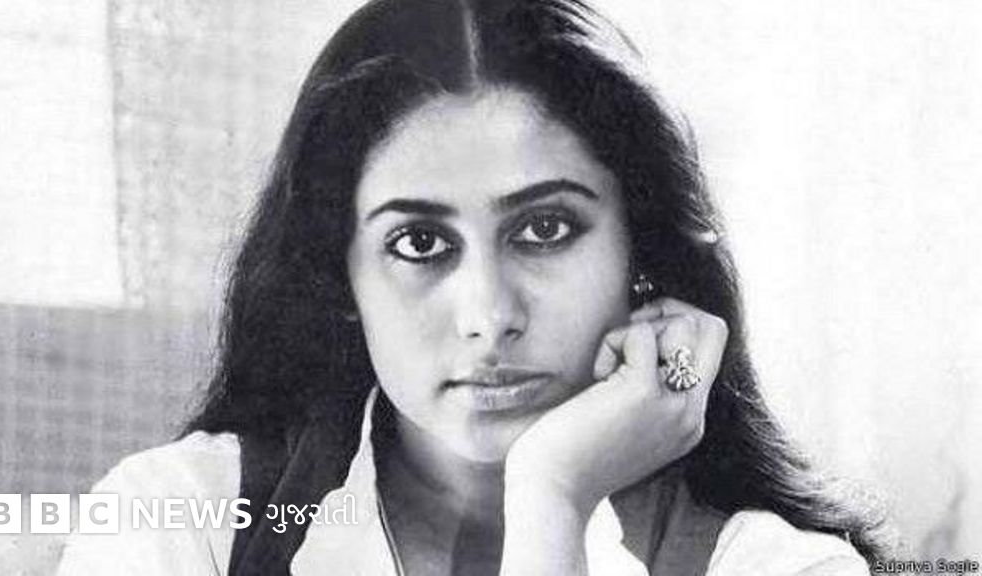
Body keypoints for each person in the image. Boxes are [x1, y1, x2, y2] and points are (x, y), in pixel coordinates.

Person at [58, 0, 894, 574]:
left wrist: (553, 498)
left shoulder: (774, 565)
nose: (489, 315)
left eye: (545, 229)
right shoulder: (181, 521)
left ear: (640, 248)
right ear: (340, 276)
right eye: (420, 243)